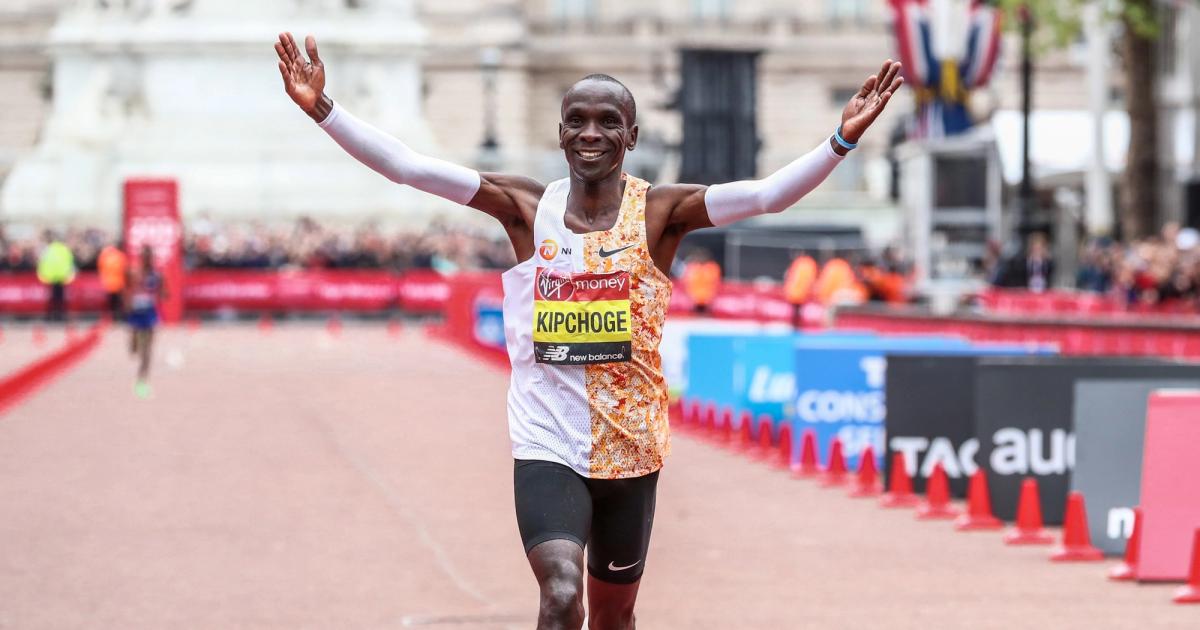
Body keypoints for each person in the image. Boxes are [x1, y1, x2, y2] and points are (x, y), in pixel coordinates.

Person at [275, 32, 902, 630]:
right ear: (561, 133)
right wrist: (325, 110)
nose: (591, 133)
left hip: (631, 445)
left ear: (632, 135)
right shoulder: (526, 208)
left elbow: (767, 196)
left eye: (607, 121)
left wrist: (840, 140)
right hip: (546, 438)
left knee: (611, 617)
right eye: (576, 120)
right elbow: (409, 168)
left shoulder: (661, 213)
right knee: (560, 596)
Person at [125, 245, 165, 399]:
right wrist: (128, 304)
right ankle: (134, 342)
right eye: (145, 257)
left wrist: (161, 293)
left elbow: (163, 292)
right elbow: (126, 290)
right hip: (135, 313)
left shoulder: (157, 275)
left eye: (150, 257)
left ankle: (142, 381)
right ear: (141, 258)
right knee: (134, 349)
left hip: (149, 313)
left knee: (148, 350)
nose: (147, 260)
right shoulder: (133, 272)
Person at [36, 231, 75, 322]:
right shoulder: (65, 250)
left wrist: (42, 275)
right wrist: (70, 275)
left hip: (50, 277)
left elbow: (41, 263)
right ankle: (60, 314)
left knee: (51, 298)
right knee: (61, 298)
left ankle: (50, 315)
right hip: (62, 277)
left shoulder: (48, 250)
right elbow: (71, 264)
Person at [783, 250, 818, 328]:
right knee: (797, 311)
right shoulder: (807, 263)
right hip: (800, 292)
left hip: (797, 292)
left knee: (797, 311)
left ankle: (796, 326)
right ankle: (797, 326)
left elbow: (791, 276)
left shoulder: (800, 263)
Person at [681, 248, 721, 315]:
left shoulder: (712, 267)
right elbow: (687, 282)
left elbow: (715, 282)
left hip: (707, 300)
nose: (701, 258)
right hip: (694, 300)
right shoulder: (692, 267)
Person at [98, 241, 129, 319]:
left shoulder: (104, 256)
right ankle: (119, 316)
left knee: (111, 302)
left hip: (109, 283)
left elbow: (100, 268)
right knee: (119, 302)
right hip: (119, 283)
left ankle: (112, 317)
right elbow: (125, 269)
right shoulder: (120, 256)